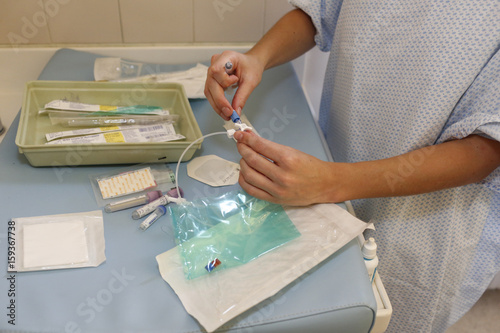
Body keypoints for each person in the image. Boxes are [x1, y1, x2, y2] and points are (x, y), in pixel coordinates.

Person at [204, 1, 500, 332]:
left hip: (419, 221)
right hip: (329, 168)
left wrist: (330, 182)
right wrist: (258, 58)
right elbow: (319, 12)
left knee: (371, 313)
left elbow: (485, 150)